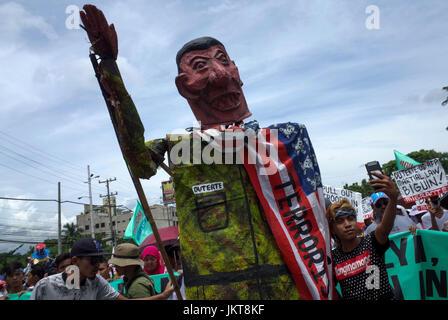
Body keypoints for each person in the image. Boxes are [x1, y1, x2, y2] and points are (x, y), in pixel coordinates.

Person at [327, 172, 399, 300]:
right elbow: (327, 288)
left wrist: (393, 199)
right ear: (332, 229)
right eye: (340, 221)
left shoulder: (372, 241)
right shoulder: (333, 259)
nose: (347, 224)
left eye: (350, 219)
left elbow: (385, 227)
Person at [31, 238, 173, 300]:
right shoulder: (45, 287)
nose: (98, 266)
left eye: (100, 260)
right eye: (93, 261)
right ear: (75, 261)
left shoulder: (97, 282)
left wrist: (163, 296)